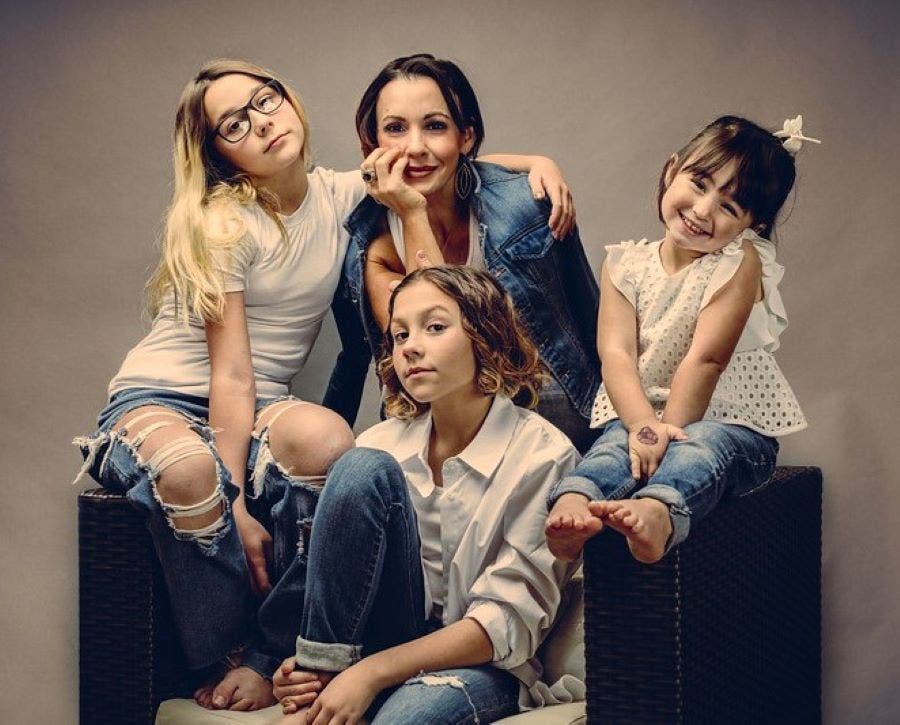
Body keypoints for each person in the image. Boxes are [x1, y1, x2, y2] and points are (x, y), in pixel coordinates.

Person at [71, 58, 573, 712]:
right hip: (166, 394)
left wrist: (537, 162)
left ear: (290, 100)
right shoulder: (225, 221)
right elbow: (230, 371)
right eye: (234, 123)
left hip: (260, 402)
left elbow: (428, 160)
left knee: (334, 443)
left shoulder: (338, 193)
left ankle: (280, 647)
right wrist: (236, 498)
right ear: (219, 155)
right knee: (192, 474)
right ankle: (229, 652)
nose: (262, 123)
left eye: (266, 100)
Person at [273, 266, 583, 725]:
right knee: (358, 467)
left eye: (435, 327)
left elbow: (504, 624)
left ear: (486, 333)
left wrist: (370, 675)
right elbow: (335, 579)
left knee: (405, 720)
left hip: (483, 666)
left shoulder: (543, 457)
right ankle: (320, 676)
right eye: (399, 336)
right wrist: (311, 668)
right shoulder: (379, 445)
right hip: (376, 643)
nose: (410, 347)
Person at [545, 115, 815, 564]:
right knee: (610, 448)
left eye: (730, 207)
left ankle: (659, 513)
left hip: (732, 425)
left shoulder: (738, 263)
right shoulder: (625, 264)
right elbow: (616, 355)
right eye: (700, 182)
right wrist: (641, 426)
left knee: (702, 447)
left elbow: (706, 359)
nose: (703, 210)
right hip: (645, 414)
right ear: (672, 170)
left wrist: (667, 435)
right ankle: (574, 506)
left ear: (755, 225)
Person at [341, 53, 601, 453]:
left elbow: (591, 318)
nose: (414, 148)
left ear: (466, 136)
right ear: (371, 144)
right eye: (395, 128)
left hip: (544, 413)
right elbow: (437, 332)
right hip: (442, 426)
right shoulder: (370, 243)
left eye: (435, 126)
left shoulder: (528, 207)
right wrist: (413, 211)